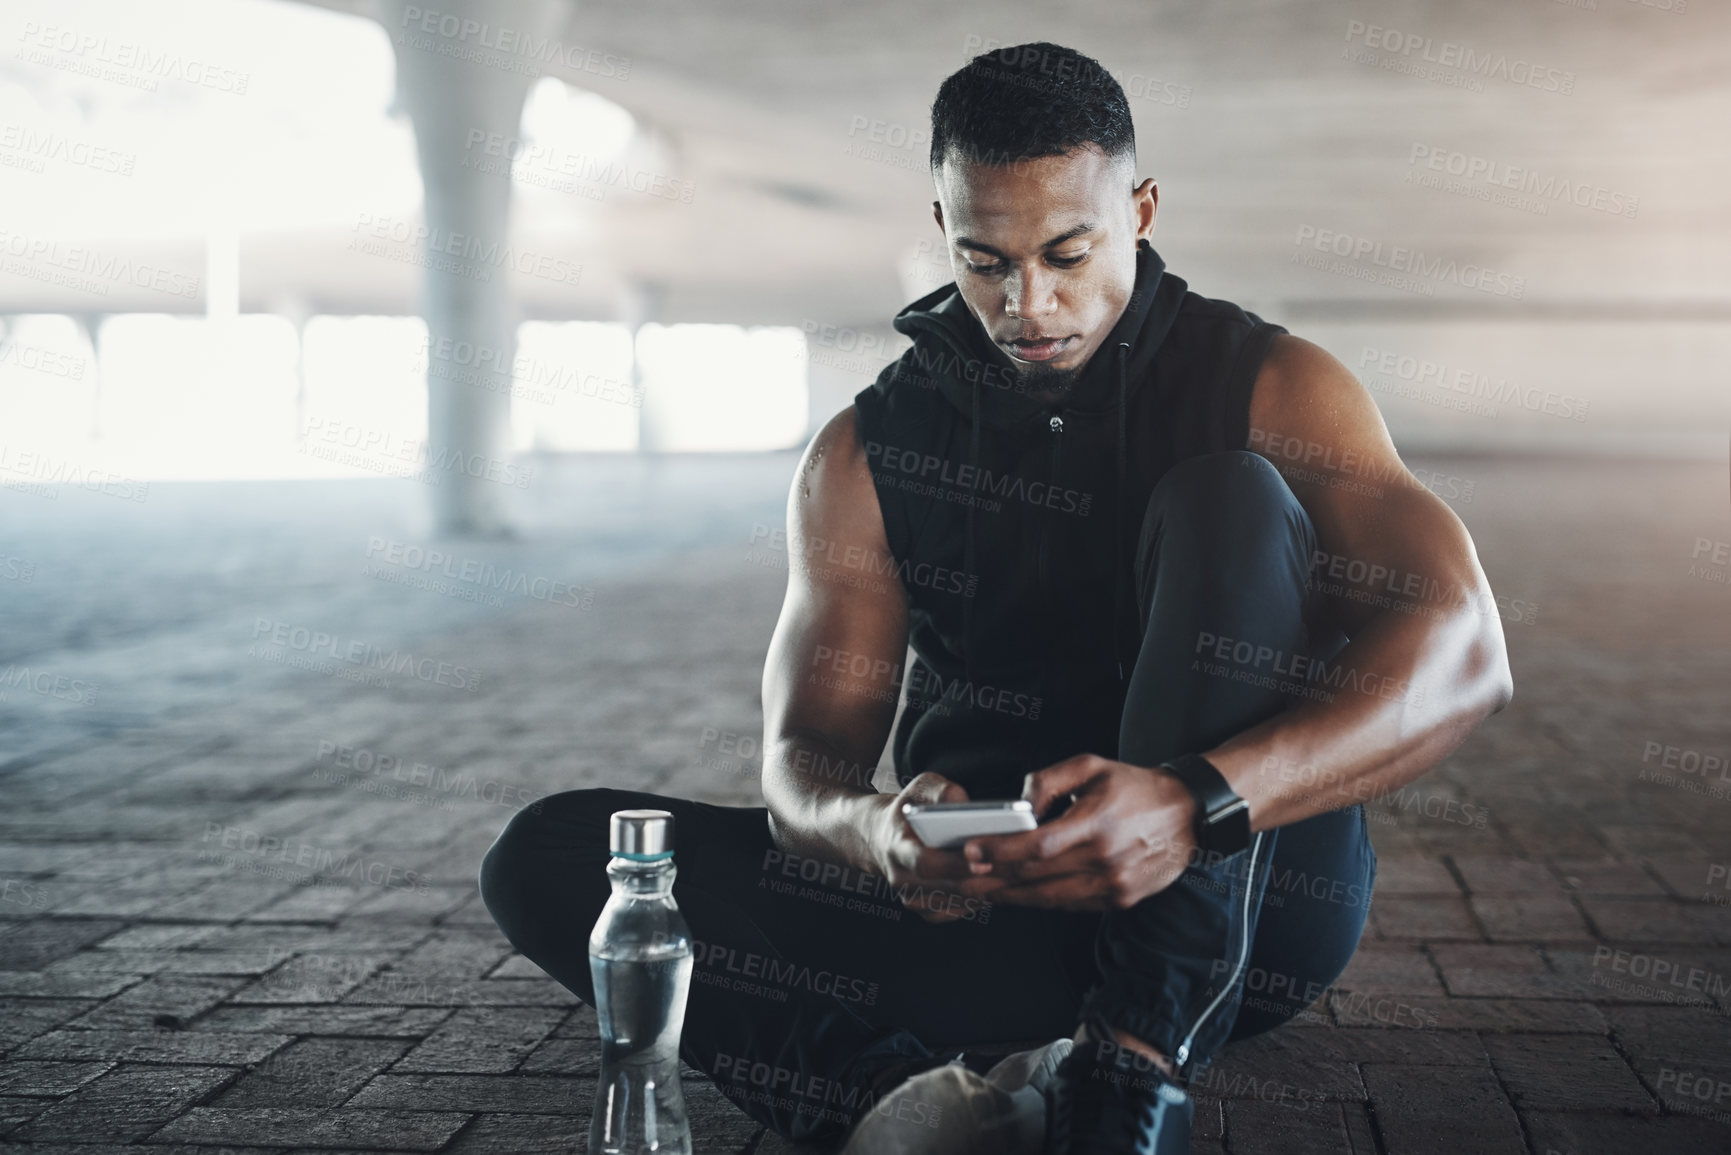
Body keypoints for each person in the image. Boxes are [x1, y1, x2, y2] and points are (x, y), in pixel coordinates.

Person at [480, 41, 1513, 1154]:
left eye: (1070, 253)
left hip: (1240, 914)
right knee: (558, 854)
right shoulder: (867, 450)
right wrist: (874, 832)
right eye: (986, 261)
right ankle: (902, 1115)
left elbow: (1465, 649)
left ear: (1143, 209)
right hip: (990, 918)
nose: (1030, 304)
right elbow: (803, 768)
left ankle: (1127, 1072)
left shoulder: (1270, 384)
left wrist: (1188, 806)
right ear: (942, 225)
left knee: (1231, 499)